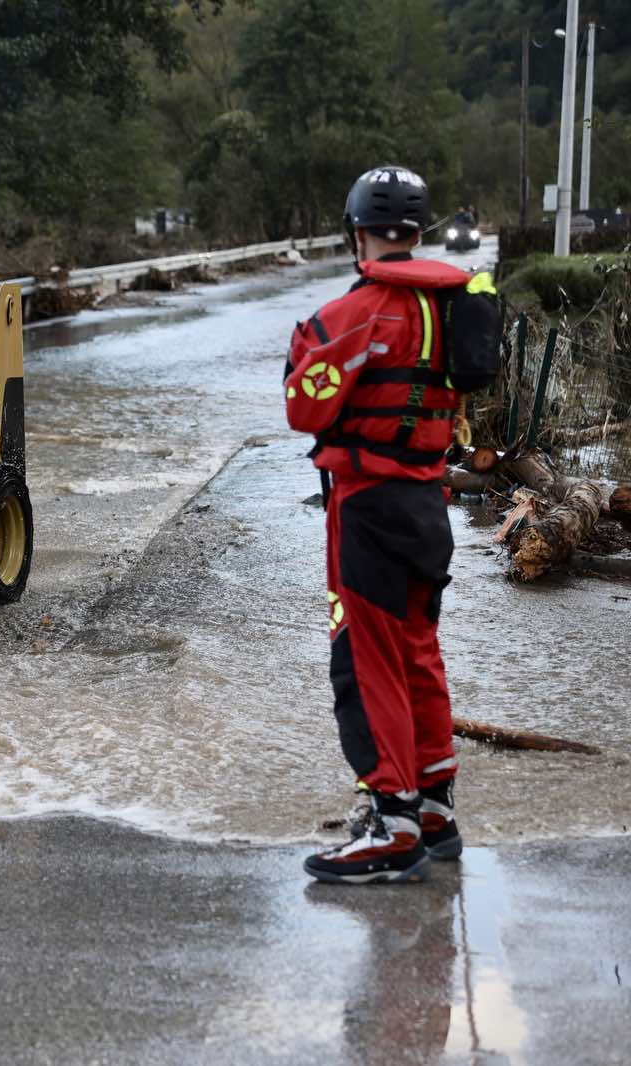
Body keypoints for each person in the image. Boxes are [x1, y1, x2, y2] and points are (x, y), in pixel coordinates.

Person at [285, 165, 476, 885]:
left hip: (368, 506)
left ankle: (391, 824)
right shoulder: (451, 308)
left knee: (367, 664)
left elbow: (304, 408)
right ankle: (434, 808)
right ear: (417, 232)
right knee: (418, 652)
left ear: (357, 233)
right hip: (429, 505)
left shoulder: (355, 313)